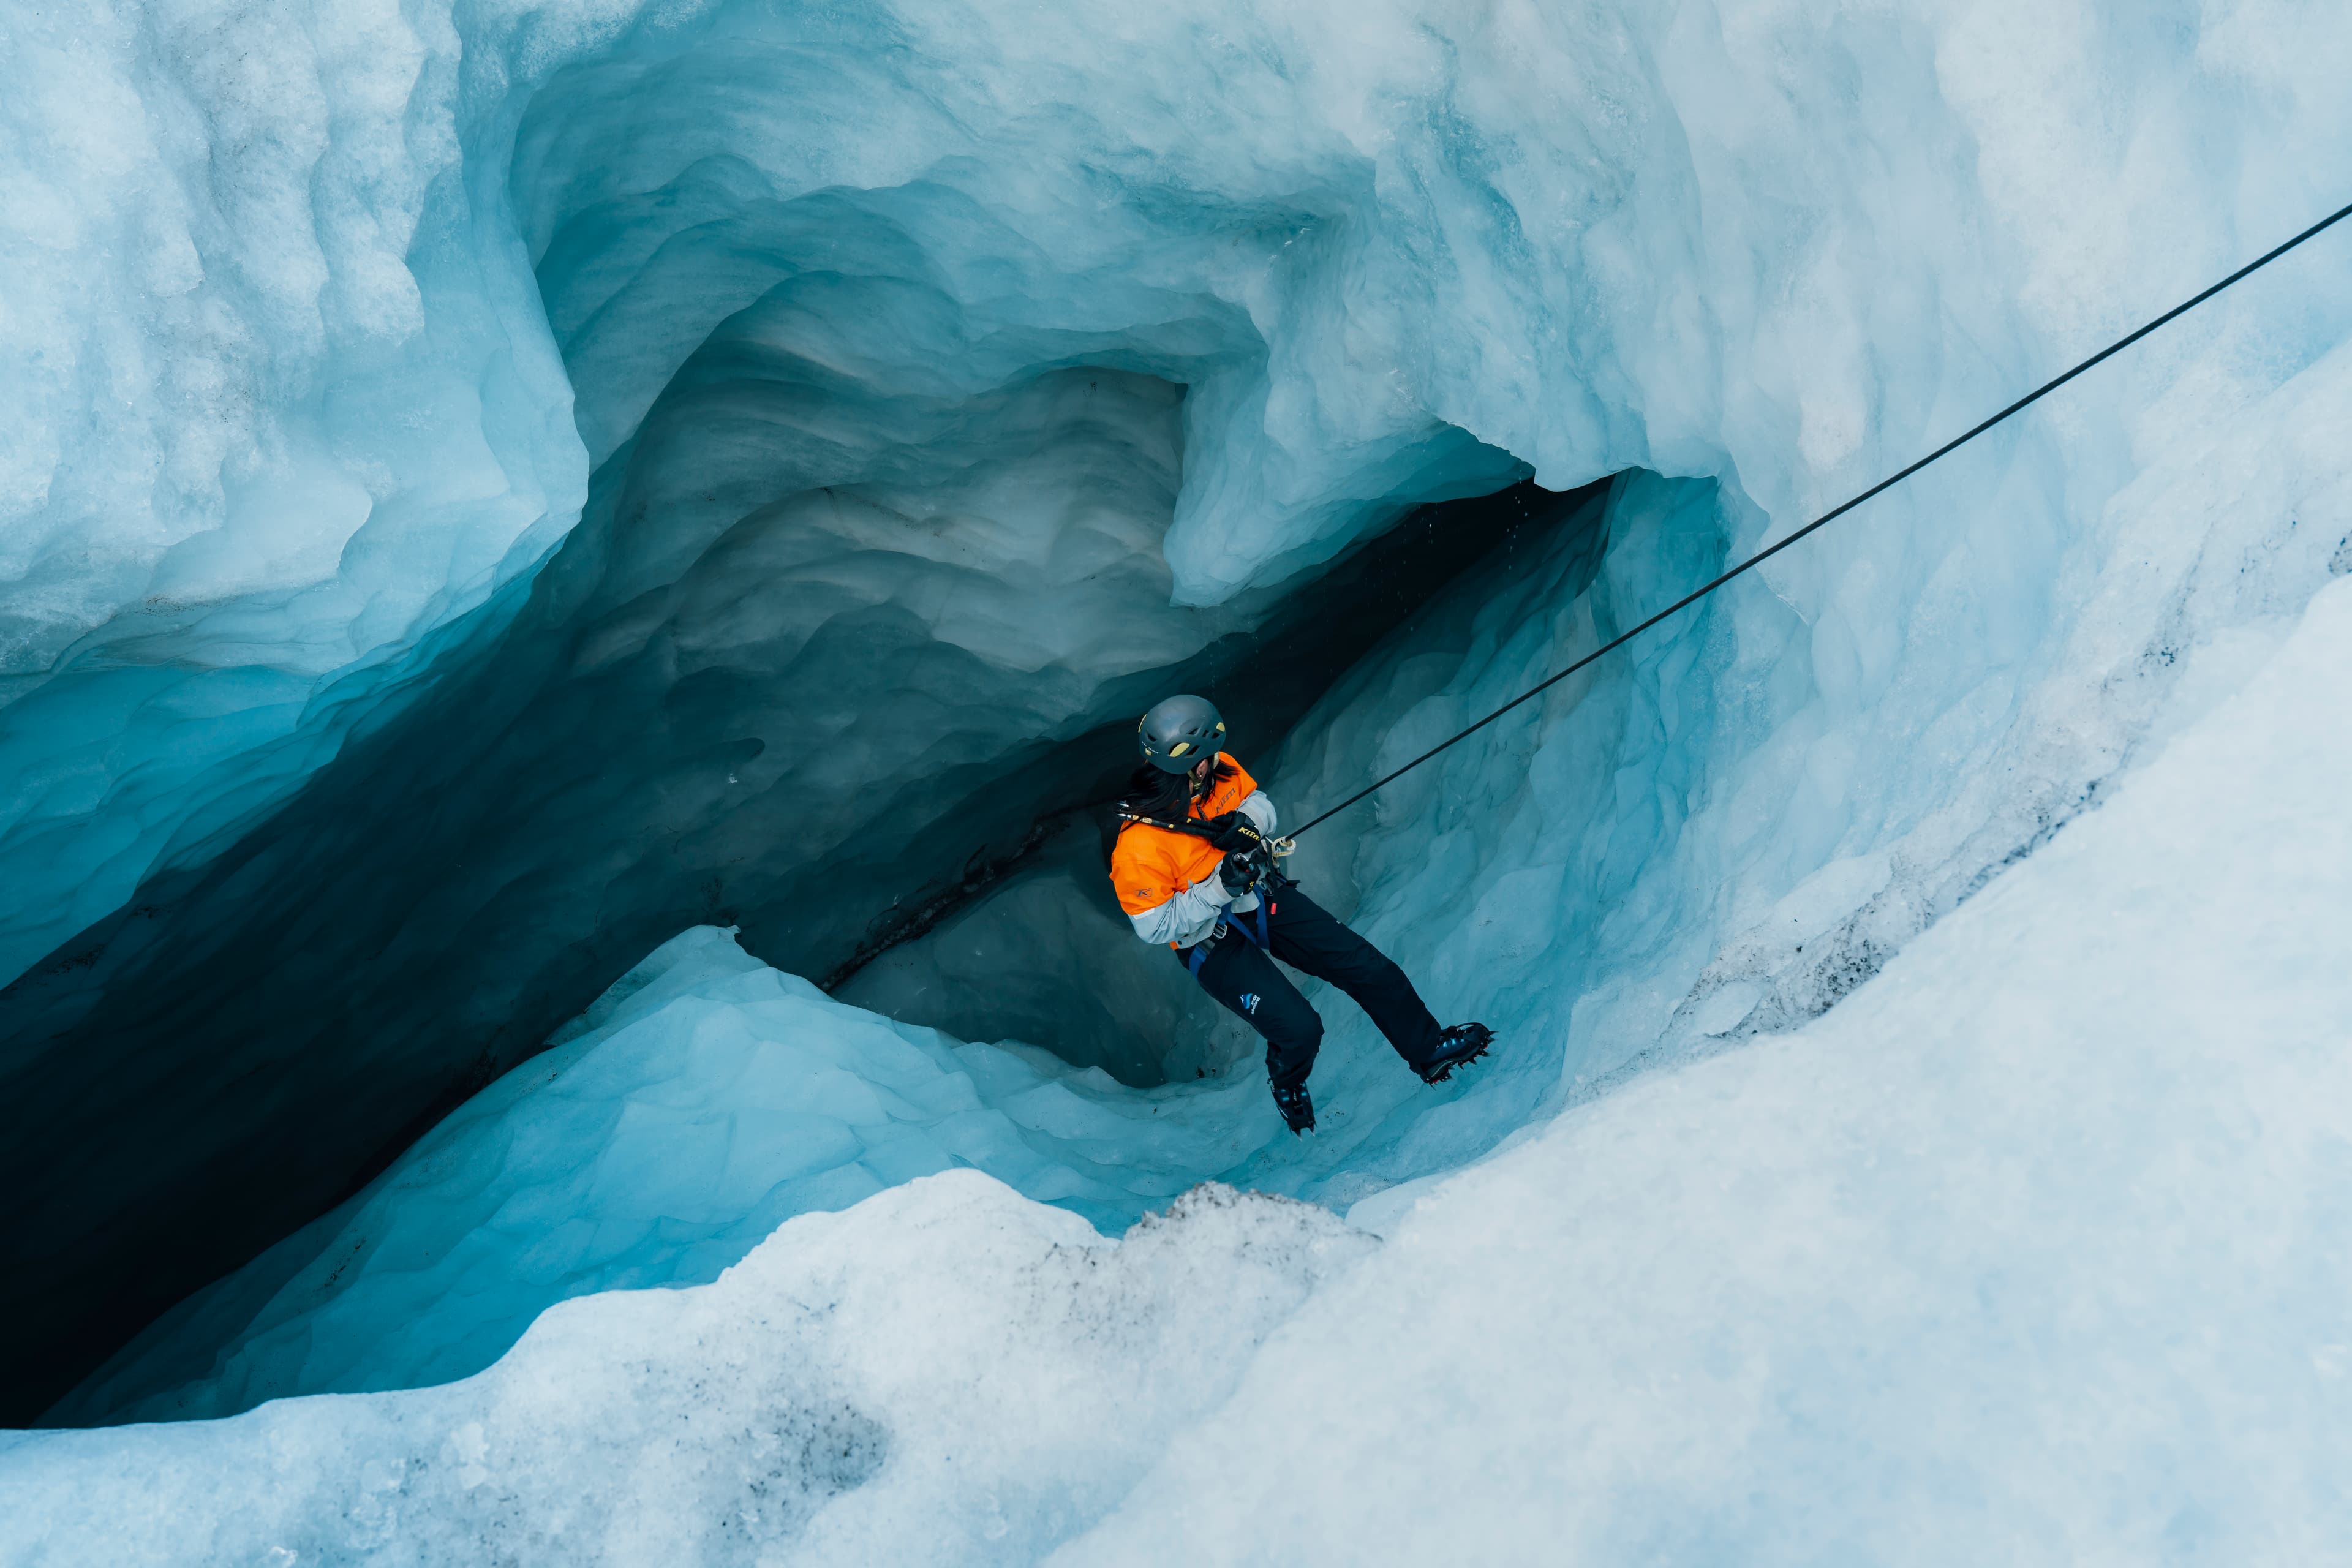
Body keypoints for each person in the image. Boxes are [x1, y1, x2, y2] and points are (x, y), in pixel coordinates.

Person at [1109, 693, 1493, 1134]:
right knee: (1300, 1030)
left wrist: (1244, 822)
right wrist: (1219, 888)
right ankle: (1287, 1078)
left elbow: (1261, 806)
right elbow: (1156, 926)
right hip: (1208, 940)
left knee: (1368, 968)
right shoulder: (1139, 847)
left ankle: (1429, 1049)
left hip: (1259, 895)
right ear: (1191, 764)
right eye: (1208, 755)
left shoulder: (1221, 772)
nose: (1217, 759)